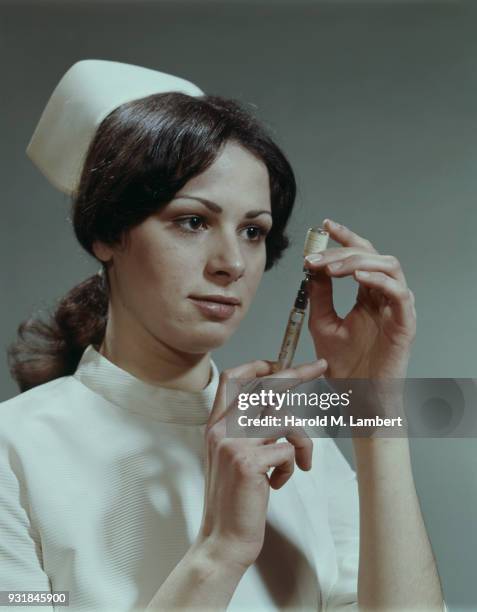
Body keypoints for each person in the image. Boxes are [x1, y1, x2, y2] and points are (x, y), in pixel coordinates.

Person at [0, 60, 446, 611]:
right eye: (192, 221)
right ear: (107, 233)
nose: (232, 263)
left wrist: (374, 407)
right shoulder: (12, 451)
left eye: (253, 231)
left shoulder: (296, 442)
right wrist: (221, 549)